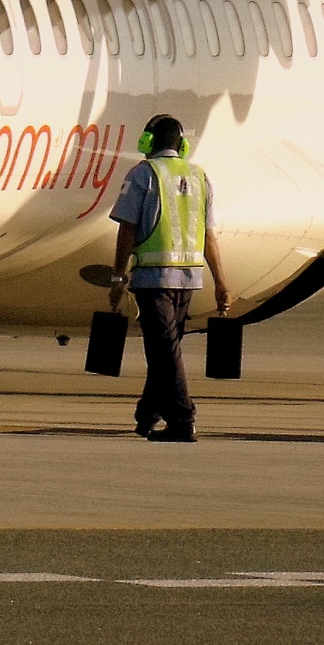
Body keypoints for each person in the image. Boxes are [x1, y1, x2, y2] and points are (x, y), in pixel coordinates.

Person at [109, 113, 230, 442]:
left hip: (153, 280)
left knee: (164, 350)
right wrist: (220, 281)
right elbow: (209, 235)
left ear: (148, 142)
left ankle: (182, 418)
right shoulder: (200, 176)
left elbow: (127, 229)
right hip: (189, 280)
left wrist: (118, 278)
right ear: (183, 145)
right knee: (165, 349)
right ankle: (148, 413)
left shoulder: (142, 175)